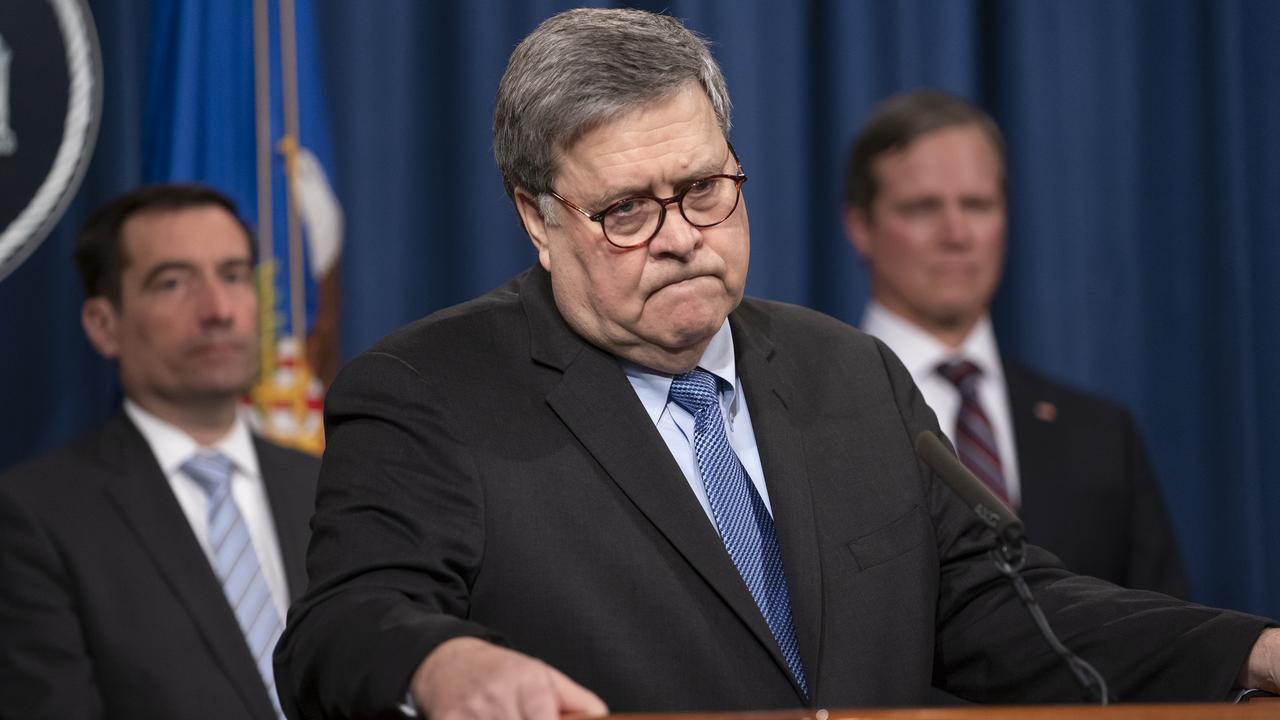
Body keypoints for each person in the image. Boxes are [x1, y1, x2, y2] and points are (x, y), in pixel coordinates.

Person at [274, 9, 1278, 719]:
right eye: (626, 209)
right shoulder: (430, 392)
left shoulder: (850, 375)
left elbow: (999, 608)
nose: (679, 237)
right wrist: (441, 665)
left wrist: (1242, 649)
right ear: (536, 218)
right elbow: (341, 625)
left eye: (704, 188)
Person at [842, 90, 1190, 597]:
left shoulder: (1102, 436)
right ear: (860, 226)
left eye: (978, 204)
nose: (957, 232)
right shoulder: (811, 418)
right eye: (922, 208)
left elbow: (1169, 643)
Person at [0, 184, 319, 720]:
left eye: (235, 275)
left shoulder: (329, 484)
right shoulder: (35, 516)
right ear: (104, 325)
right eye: (173, 283)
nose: (218, 310)